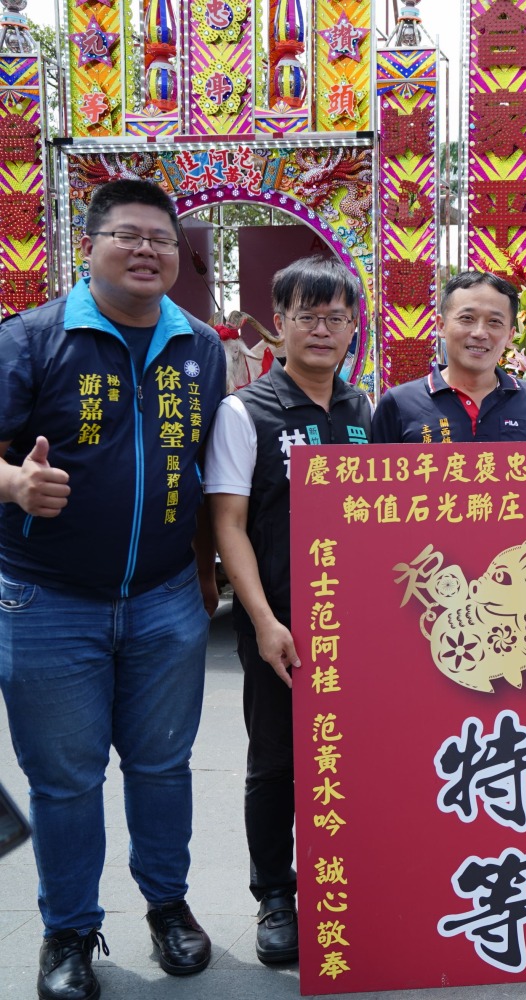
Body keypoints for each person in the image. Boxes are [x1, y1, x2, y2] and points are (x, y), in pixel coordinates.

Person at [0, 178, 225, 1000]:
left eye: (161, 239)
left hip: (166, 598)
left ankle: (169, 907)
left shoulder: (201, 347)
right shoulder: (31, 340)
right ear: (87, 247)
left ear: (178, 255)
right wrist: (14, 487)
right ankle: (67, 934)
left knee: (164, 765)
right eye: (126, 236)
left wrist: (202, 578)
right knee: (65, 779)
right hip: (46, 599)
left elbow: (207, 475)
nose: (145, 250)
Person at [205, 256, 372, 967]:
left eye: (336, 317)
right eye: (307, 315)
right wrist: (265, 620)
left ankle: (355, 882)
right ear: (279, 325)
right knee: (277, 762)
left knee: (356, 757)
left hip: (361, 627)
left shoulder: (364, 410)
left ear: (352, 327)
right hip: (282, 626)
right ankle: (276, 895)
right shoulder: (248, 412)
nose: (323, 330)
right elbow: (229, 524)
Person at [372, 271, 526, 444]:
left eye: (494, 322)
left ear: (510, 335)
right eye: (467, 318)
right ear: (441, 326)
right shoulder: (400, 403)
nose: (479, 333)